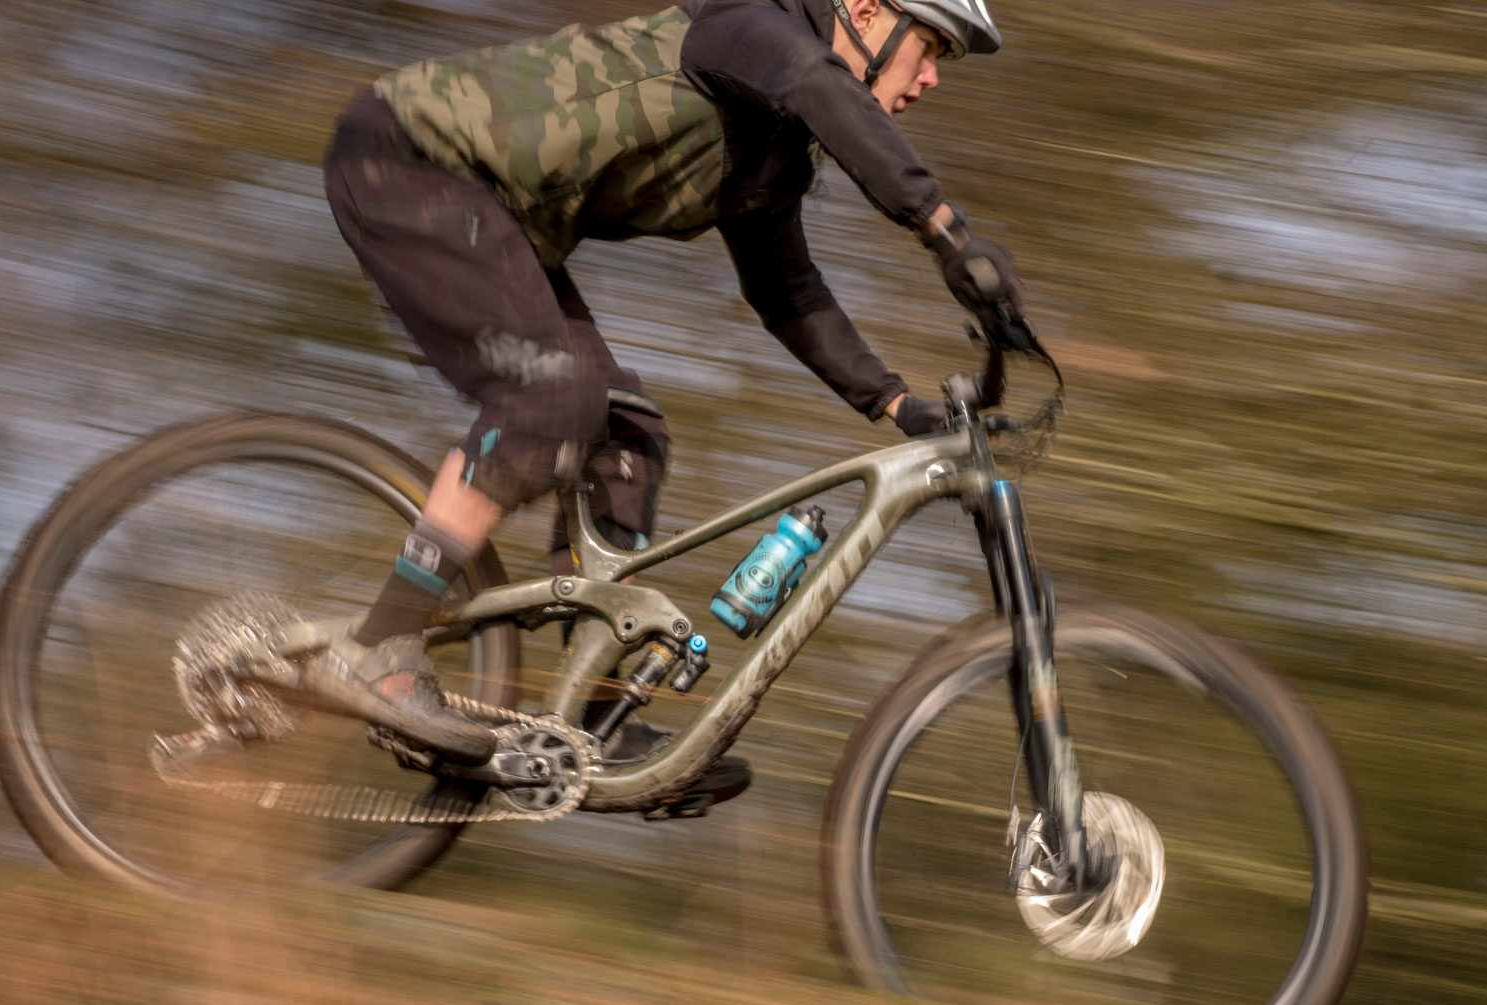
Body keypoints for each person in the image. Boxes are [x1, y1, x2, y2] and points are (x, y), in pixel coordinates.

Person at [313, 0, 1026, 790]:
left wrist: (896, 404)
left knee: (628, 438)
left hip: (495, 219)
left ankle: (592, 716)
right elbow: (818, 83)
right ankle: (378, 647)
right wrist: (948, 234)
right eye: (929, 48)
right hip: (407, 159)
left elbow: (788, 292)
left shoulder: (773, 150)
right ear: (863, 10)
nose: (930, 78)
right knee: (556, 398)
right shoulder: (749, 31)